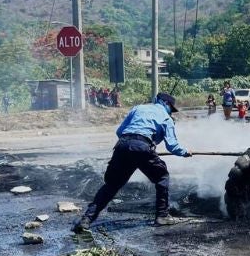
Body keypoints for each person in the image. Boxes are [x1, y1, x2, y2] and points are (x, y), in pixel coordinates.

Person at [73, 93, 193, 233]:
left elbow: (120, 131)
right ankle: (162, 216)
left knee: (111, 185)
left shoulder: (138, 108)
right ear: (165, 103)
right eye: (170, 108)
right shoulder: (166, 118)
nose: (171, 111)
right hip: (142, 148)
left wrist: (138, 144)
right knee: (162, 177)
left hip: (122, 145)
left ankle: (86, 220)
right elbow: (172, 146)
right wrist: (185, 152)